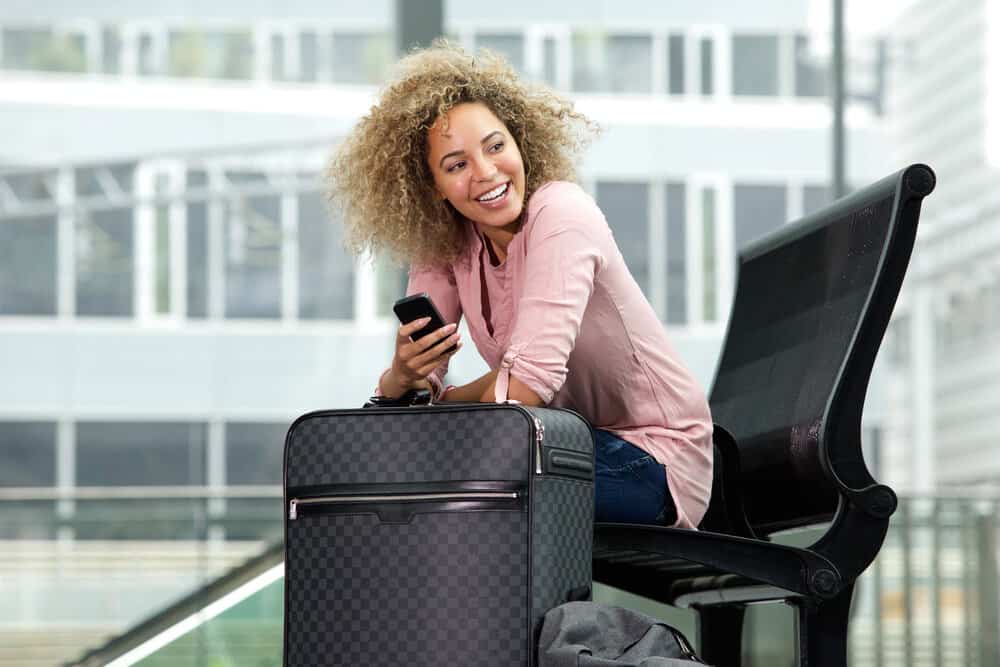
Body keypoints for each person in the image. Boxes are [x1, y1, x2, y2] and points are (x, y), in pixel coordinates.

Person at [329, 41, 713, 528]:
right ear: (433, 188)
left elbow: (527, 387)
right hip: (550, 444)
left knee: (458, 488)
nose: (486, 172)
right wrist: (402, 378)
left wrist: (449, 402)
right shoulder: (447, 243)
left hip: (650, 458)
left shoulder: (561, 212)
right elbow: (418, 401)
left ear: (519, 140)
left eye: (495, 146)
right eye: (456, 164)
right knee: (420, 476)